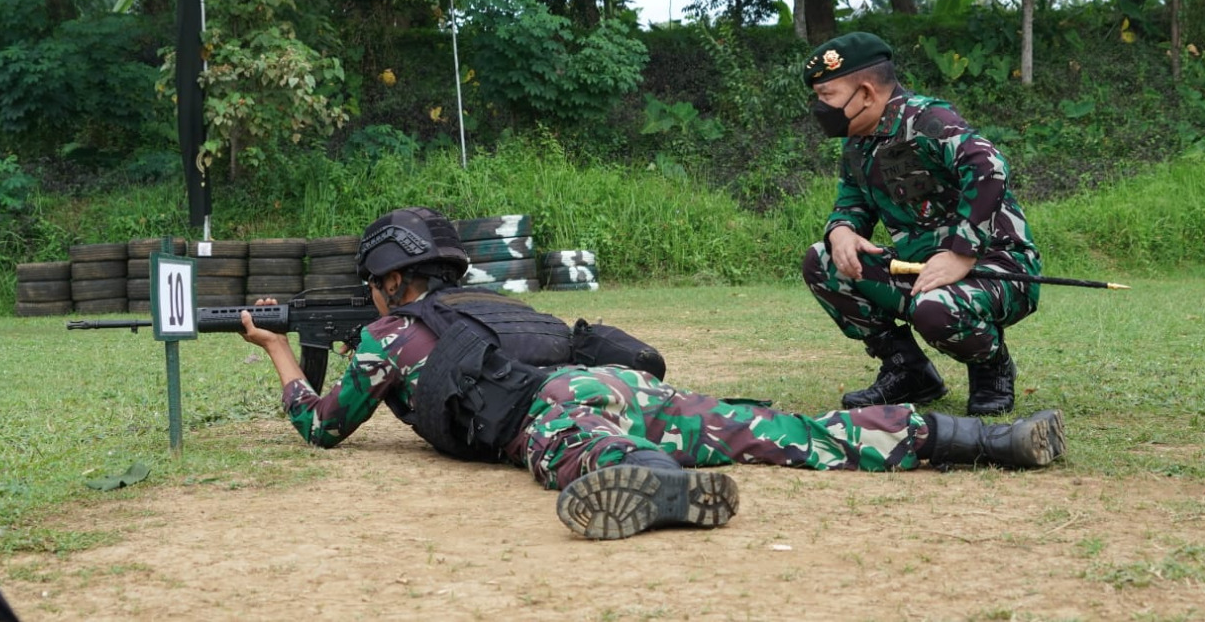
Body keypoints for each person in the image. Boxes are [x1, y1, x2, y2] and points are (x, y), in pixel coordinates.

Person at [241, 206, 1064, 541]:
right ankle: (981, 437)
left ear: (389, 280)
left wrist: (280, 352)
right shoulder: (490, 300)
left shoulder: (389, 334)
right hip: (619, 382)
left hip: (554, 407)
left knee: (577, 448)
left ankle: (656, 481)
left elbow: (322, 425)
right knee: (782, 431)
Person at [800, 31, 1042, 416]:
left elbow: (989, 166)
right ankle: (908, 371)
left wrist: (962, 252)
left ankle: (991, 367)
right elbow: (853, 201)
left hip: (995, 267)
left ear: (865, 93)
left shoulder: (927, 119)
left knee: (935, 308)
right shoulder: (857, 143)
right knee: (822, 261)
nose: (819, 107)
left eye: (826, 96)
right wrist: (842, 230)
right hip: (921, 268)